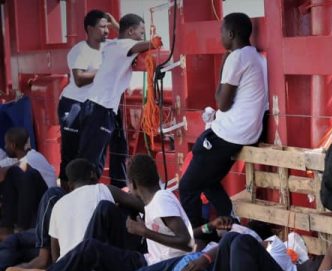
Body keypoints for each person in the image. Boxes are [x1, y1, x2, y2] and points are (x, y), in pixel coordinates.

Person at [0, 155, 193, 271]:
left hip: (157, 268)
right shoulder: (156, 201)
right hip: (149, 260)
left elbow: (187, 242)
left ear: (133, 184)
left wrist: (143, 231)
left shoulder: (161, 199)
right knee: (97, 227)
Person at [179, 12, 267, 226]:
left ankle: (197, 236)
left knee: (187, 187)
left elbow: (222, 103)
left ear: (231, 34)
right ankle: (233, 223)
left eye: (222, 32)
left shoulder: (236, 57)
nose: (220, 36)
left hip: (231, 133)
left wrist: (223, 64)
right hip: (249, 132)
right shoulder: (257, 57)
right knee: (207, 180)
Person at [77, 14, 161, 182]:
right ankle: (87, 191)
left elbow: (124, 37)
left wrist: (117, 25)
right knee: (93, 159)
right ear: (130, 31)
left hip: (97, 106)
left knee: (112, 149)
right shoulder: (125, 45)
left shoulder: (111, 44)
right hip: (102, 108)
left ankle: (114, 186)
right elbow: (151, 43)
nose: (142, 37)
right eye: (141, 32)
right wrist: (153, 41)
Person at [58, 10, 118, 185]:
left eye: (108, 27)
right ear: (90, 29)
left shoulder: (110, 46)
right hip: (73, 105)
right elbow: (79, 79)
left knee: (91, 157)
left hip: (94, 108)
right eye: (102, 27)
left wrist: (115, 23)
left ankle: (88, 192)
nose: (107, 31)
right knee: (70, 154)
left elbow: (132, 41)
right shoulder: (80, 51)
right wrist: (104, 71)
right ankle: (65, 193)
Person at [0, 128, 53, 237]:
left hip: (45, 204)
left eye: (6, 144)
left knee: (12, 174)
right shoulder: (20, 157)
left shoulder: (32, 158)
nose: (5, 147)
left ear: (13, 145)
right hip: (34, 201)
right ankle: (7, 226)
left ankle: (19, 227)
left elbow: (4, 173)